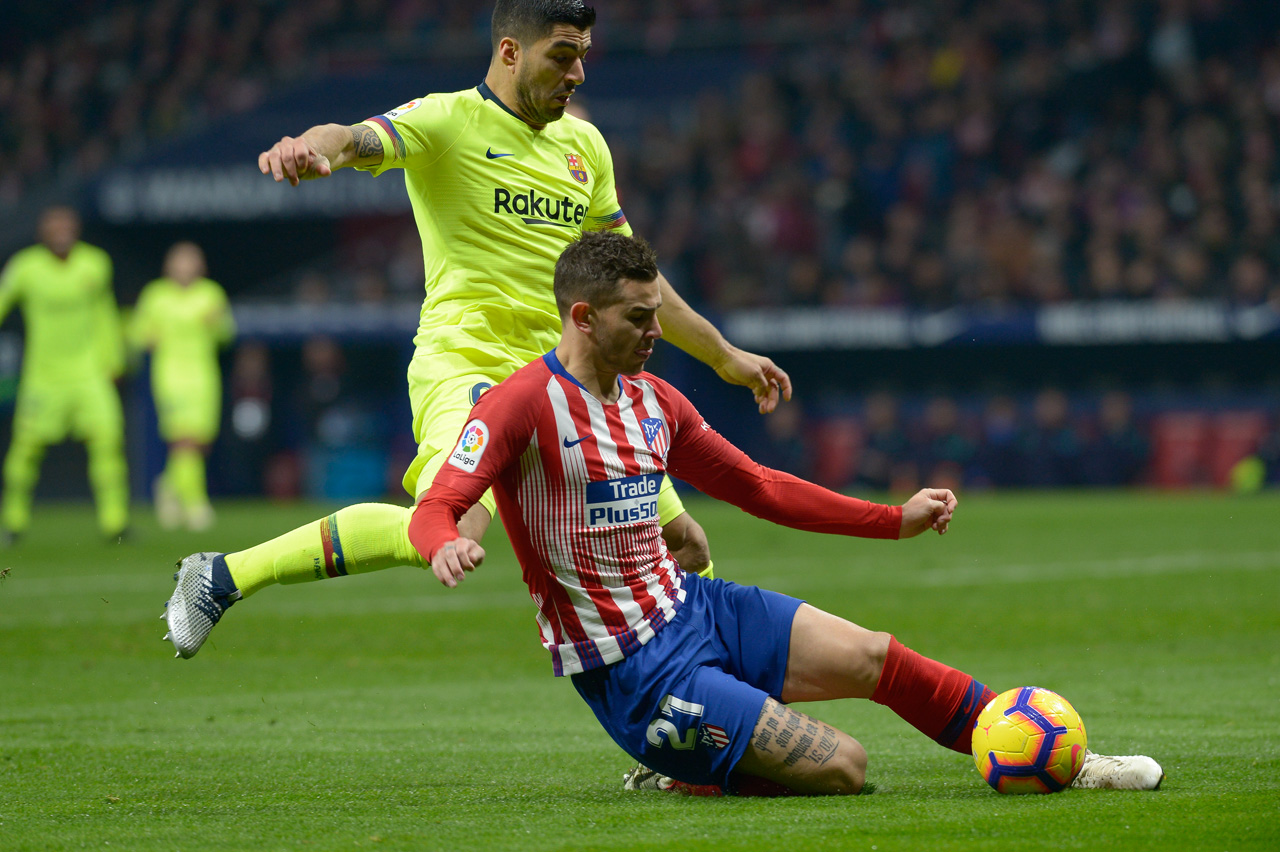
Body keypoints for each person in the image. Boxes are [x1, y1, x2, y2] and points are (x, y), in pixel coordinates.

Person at [408, 231, 1164, 795]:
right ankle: (684, 764)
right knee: (845, 767)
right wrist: (443, 542)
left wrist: (891, 518)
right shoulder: (520, 405)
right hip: (631, 668)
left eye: (657, 314)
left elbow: (761, 488)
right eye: (639, 318)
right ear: (583, 317)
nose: (657, 332)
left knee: (878, 656)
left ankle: (1065, 761)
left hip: (696, 607)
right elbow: (438, 503)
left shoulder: (655, 400)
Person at [164, 0, 790, 656]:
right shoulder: (447, 120)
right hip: (470, 363)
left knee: (684, 542)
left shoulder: (586, 146)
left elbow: (636, 279)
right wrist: (308, 148)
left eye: (582, 56)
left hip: (569, 378)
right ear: (510, 52)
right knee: (451, 524)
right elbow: (348, 138)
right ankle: (222, 576)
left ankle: (702, 700)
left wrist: (723, 355)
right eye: (562, 56)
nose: (577, 73)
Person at [0, 206, 129, 543]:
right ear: (42, 232)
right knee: (25, 451)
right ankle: (13, 522)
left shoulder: (95, 262)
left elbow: (105, 313)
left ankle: (115, 523)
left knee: (108, 442)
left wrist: (114, 360)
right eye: (54, 227)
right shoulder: (25, 267)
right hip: (43, 377)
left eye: (67, 227)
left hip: (89, 373)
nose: (61, 233)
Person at [129, 242, 235, 531]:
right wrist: (147, 336)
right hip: (171, 375)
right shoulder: (156, 295)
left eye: (191, 261)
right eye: (180, 261)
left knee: (200, 441)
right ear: (169, 265)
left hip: (203, 375)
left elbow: (226, 335)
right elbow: (137, 333)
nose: (185, 267)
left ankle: (169, 485)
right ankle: (195, 503)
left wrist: (217, 323)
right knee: (182, 438)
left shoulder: (211, 293)